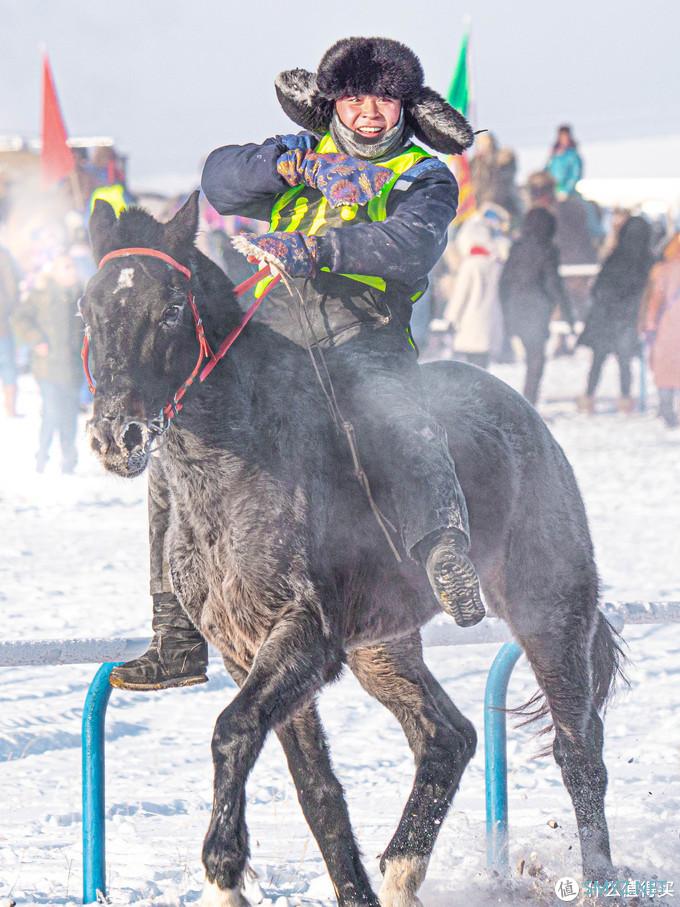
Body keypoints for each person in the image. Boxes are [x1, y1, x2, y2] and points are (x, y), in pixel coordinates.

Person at [111, 36, 486, 689]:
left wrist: (320, 249)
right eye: (356, 98)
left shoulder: (424, 175)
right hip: (267, 331)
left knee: (395, 411)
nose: (370, 112)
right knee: (181, 445)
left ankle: (443, 547)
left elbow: (407, 243)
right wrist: (288, 169)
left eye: (385, 100)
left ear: (406, 107)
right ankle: (175, 636)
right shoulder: (301, 153)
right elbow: (217, 181)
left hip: (361, 330)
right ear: (333, 102)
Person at [12, 253, 84, 472]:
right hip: (47, 367)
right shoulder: (40, 294)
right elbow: (19, 318)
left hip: (72, 367)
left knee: (70, 413)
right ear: (55, 271)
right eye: (65, 267)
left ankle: (69, 458)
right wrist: (37, 340)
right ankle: (42, 454)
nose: (71, 271)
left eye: (72, 267)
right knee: (52, 411)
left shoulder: (81, 295)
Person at [578, 216, 653, 414]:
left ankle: (588, 398)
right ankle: (626, 401)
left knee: (598, 361)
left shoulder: (615, 257)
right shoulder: (647, 261)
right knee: (624, 361)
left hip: (605, 316)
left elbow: (598, 289)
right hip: (627, 318)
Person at [499, 207, 574, 405]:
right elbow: (553, 283)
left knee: (525, 357)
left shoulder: (517, 247)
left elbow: (504, 281)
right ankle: (529, 401)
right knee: (536, 359)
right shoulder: (548, 249)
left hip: (515, 306)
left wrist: (505, 312)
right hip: (536, 309)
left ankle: (523, 400)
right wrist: (567, 312)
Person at [440, 206, 507, 368]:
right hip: (490, 324)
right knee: (484, 366)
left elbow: (461, 295)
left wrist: (450, 318)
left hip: (469, 326)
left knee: (472, 368)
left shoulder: (470, 265)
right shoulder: (496, 264)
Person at [641, 233, 680, 427]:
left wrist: (650, 324)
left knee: (666, 370)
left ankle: (667, 409)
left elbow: (656, 300)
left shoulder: (663, 271)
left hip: (669, 327)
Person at [0, 243, 21, 417]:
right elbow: (12, 284)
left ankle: (10, 407)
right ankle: (10, 408)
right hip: (2, 321)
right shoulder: (3, 254)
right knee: (7, 366)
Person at [546, 124, 583, 199]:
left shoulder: (573, 156)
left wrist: (566, 190)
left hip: (568, 192)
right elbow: (546, 170)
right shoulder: (554, 155)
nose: (564, 139)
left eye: (566, 137)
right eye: (562, 137)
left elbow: (575, 175)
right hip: (552, 190)